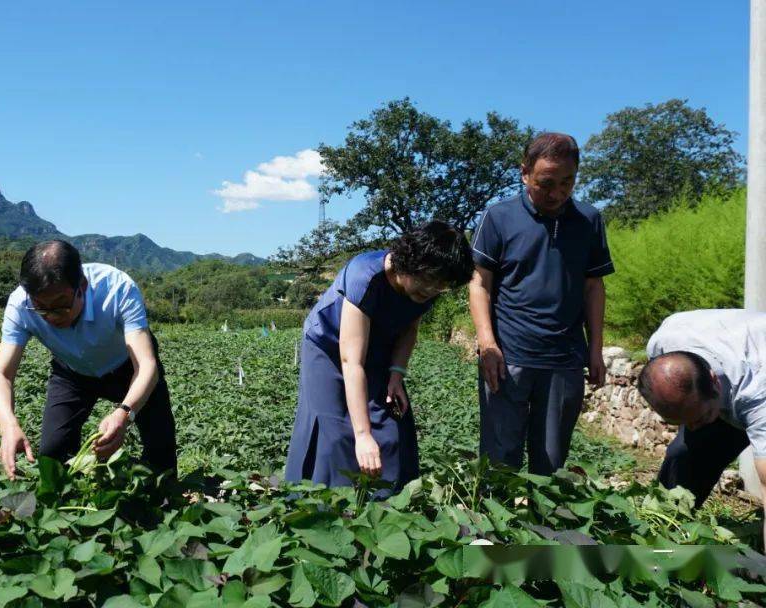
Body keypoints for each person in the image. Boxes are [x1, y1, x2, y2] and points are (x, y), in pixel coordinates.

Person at [284, 221, 473, 491]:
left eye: (440, 287)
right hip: (328, 346)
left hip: (378, 345)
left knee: (390, 423)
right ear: (410, 262)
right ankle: (322, 506)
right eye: (428, 282)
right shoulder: (366, 277)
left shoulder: (428, 288)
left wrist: (397, 374)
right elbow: (352, 362)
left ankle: (387, 505)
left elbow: (410, 327)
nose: (431, 291)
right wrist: (362, 435)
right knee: (334, 430)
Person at [468, 132, 614, 475]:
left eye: (567, 183)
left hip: (564, 359)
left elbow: (594, 287)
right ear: (525, 173)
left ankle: (540, 527)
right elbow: (479, 283)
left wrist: (596, 350)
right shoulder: (498, 217)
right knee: (499, 457)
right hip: (509, 356)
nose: (557, 193)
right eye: (546, 183)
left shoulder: (589, 220)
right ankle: (493, 526)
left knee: (550, 461)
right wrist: (487, 343)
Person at [0, 240, 177, 479]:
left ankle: (162, 504)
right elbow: (1, 375)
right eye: (41, 309)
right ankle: (70, 503)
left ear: (82, 287)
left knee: (161, 451)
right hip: (72, 372)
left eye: (61, 306)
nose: (52, 317)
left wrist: (124, 413)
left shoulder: (117, 288)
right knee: (52, 453)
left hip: (129, 368)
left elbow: (146, 364)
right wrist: (8, 426)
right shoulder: (20, 304)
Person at [638, 310, 766, 525]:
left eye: (700, 416)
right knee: (684, 453)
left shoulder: (756, 391)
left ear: (714, 382)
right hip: (726, 380)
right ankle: (663, 526)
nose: (693, 427)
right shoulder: (663, 343)